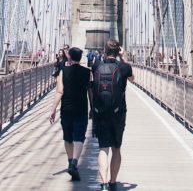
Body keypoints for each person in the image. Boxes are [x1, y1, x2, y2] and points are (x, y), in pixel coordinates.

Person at [89, 39, 133, 191]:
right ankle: (113, 183)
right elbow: (133, 79)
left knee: (103, 148)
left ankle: (103, 184)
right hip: (118, 113)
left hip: (100, 112)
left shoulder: (96, 66)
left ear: (105, 51)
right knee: (116, 148)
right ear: (119, 51)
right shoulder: (124, 68)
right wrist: (124, 58)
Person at [49, 46, 90, 182]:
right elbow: (90, 92)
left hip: (66, 109)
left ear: (70, 57)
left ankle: (70, 160)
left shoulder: (63, 71)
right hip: (81, 109)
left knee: (68, 137)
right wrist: (93, 108)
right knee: (79, 137)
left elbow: (59, 91)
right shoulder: (87, 72)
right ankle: (74, 163)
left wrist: (53, 109)